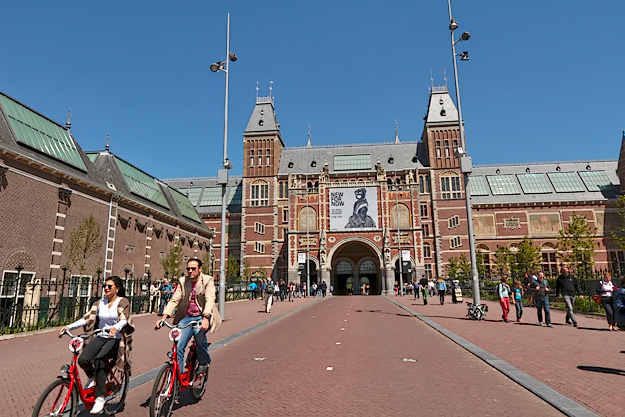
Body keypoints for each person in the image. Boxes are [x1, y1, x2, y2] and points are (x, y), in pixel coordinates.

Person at [60, 276, 135, 415]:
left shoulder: (122, 301)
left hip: (115, 338)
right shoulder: (99, 303)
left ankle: (100, 397)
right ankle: (94, 377)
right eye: (105, 286)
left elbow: (124, 319)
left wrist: (116, 328)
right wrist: (69, 327)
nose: (106, 288)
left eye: (109, 286)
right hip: (101, 336)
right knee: (83, 360)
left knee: (101, 359)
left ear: (117, 289)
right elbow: (86, 318)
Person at [155, 258, 221, 376]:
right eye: (188, 269)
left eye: (193, 269)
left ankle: (204, 362)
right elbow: (175, 299)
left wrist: (206, 318)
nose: (190, 271)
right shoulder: (183, 281)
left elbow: (210, 299)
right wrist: (163, 318)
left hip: (202, 316)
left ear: (200, 269)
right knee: (178, 344)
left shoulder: (207, 280)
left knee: (198, 334)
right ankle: (178, 378)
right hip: (188, 317)